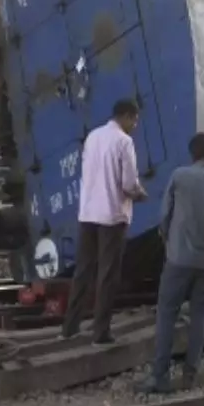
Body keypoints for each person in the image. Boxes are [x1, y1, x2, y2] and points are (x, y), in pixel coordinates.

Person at [142, 132, 204, 394]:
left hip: (177, 260)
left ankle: (160, 376)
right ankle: (190, 376)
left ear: (192, 154)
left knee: (167, 315)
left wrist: (170, 244)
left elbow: (164, 218)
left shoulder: (179, 176)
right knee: (199, 318)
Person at [61, 99, 147, 344]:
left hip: (87, 213)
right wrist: (141, 193)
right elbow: (129, 184)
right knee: (107, 275)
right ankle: (100, 331)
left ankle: (70, 327)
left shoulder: (93, 137)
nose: (135, 126)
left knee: (83, 271)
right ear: (128, 116)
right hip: (112, 216)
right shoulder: (124, 141)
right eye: (135, 120)